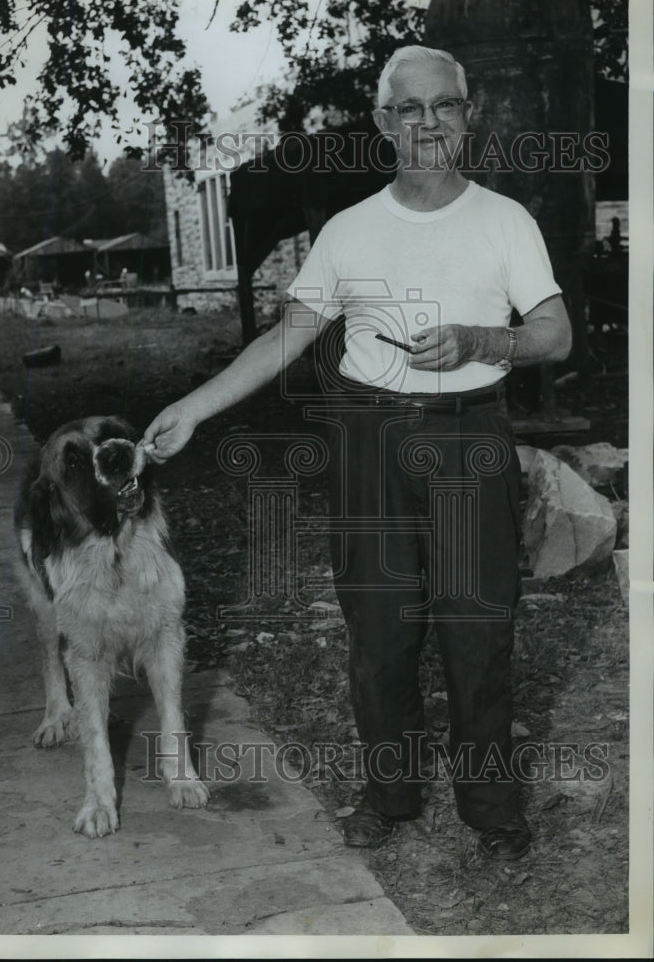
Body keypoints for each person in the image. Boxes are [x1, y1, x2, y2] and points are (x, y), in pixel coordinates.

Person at [139, 46, 572, 860]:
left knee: (476, 630)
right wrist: (191, 409)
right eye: (409, 109)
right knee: (379, 632)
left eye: (444, 106)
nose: (428, 123)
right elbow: (287, 336)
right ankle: (390, 795)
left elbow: (554, 331)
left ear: (465, 115)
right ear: (384, 123)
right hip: (368, 439)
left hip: (468, 437)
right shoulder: (349, 230)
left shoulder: (503, 219)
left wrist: (483, 338)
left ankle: (492, 810)